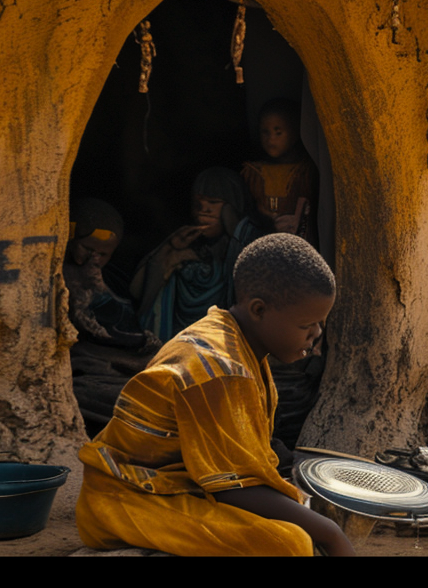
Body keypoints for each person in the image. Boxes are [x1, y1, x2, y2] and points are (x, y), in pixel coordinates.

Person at [77, 233, 354, 556]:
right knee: (288, 543)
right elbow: (234, 490)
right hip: (126, 499)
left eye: (320, 324)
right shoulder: (220, 368)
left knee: (297, 516)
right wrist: (332, 535)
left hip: (185, 488)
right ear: (259, 310)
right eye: (307, 324)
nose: (316, 335)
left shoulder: (241, 347)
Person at [132, 167, 266, 344]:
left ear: (232, 206)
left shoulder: (245, 249)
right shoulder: (187, 246)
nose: (203, 210)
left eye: (213, 202)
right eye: (198, 203)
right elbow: (136, 292)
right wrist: (169, 248)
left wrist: (232, 226)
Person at [64, 198, 157, 351]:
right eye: (87, 248)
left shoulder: (114, 280)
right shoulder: (57, 272)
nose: (94, 258)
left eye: (103, 254)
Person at [241, 98, 319, 248]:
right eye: (265, 132)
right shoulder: (253, 173)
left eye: (278, 132)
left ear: (296, 132)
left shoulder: (304, 173)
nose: (271, 139)